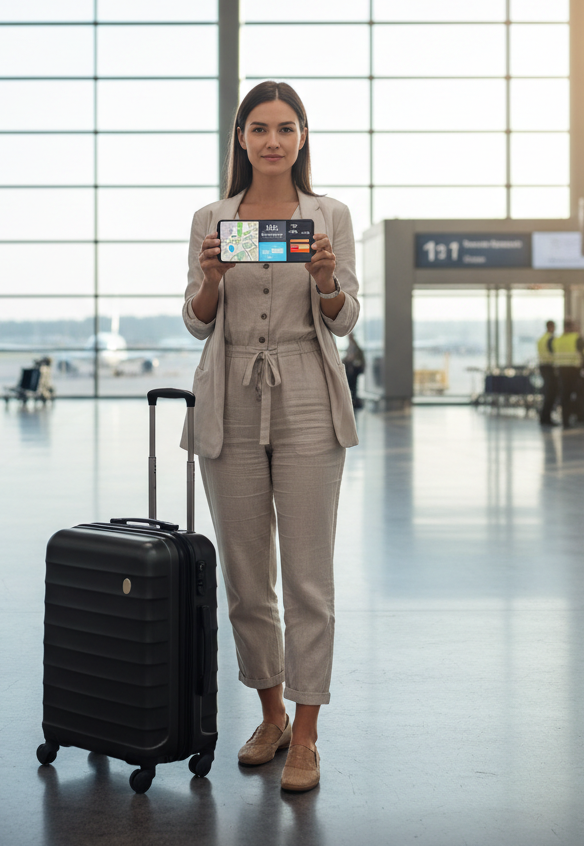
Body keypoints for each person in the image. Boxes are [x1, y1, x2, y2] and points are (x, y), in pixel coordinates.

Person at [183, 80, 359, 793]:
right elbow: (196, 322)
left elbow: (344, 320)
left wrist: (323, 279)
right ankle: (271, 712)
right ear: (241, 138)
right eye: (259, 128)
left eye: (286, 127)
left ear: (303, 137)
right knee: (247, 575)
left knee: (309, 576)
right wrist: (209, 279)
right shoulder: (212, 217)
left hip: (309, 391)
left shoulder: (330, 215)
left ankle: (308, 733)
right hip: (228, 390)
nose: (273, 140)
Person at [553, 319, 584, 426]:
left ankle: (565, 419)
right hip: (574, 370)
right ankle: (580, 416)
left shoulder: (558, 340)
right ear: (572, 327)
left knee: (565, 395)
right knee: (580, 394)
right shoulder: (576, 338)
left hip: (561, 370)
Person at [537, 320, 557, 426]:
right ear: (551, 327)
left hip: (542, 366)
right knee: (551, 394)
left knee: (547, 393)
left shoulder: (541, 339)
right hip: (550, 367)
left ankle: (544, 417)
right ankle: (546, 417)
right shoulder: (551, 339)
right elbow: (554, 353)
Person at [343, 334, 365, 409]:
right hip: (351, 370)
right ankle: (353, 400)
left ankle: (353, 401)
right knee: (352, 385)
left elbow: (352, 357)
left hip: (353, 370)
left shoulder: (354, 346)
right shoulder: (352, 345)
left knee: (353, 385)